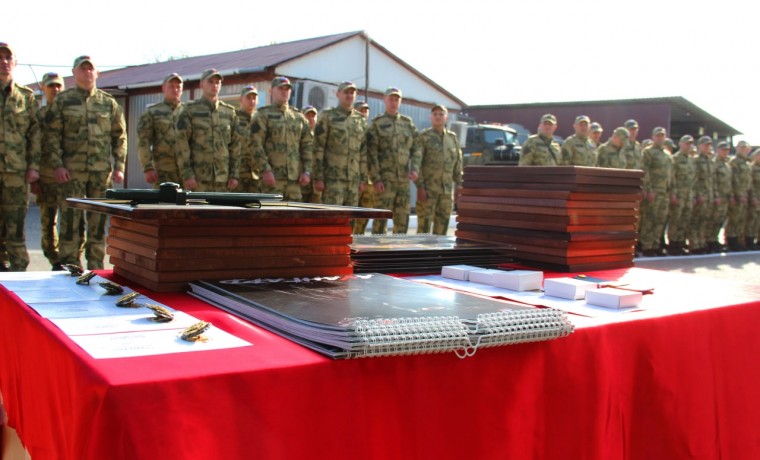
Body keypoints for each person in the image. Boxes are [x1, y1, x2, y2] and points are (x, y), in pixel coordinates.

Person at [45, 55, 126, 269]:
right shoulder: (62, 101)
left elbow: (119, 137)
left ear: (97, 73)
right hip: (71, 173)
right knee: (71, 221)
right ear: (74, 73)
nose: (87, 72)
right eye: (82, 69)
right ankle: (70, 266)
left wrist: (119, 166)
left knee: (98, 222)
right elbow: (51, 136)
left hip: (101, 173)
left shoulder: (108, 103)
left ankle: (96, 267)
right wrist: (57, 165)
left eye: (91, 69)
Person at [0, 42, 40, 272]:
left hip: (16, 172)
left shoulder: (26, 97)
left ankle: (18, 276)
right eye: (0, 57)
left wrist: (33, 167)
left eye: (8, 57)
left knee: (15, 226)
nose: (4, 62)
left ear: (15, 63)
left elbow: (34, 135)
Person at [366, 87, 421, 234]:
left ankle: (399, 254)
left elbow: (416, 148)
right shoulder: (377, 124)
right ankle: (376, 253)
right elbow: (371, 153)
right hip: (384, 182)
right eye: (391, 99)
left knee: (402, 222)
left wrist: (414, 168)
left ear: (400, 102)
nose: (393, 102)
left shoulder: (407, 124)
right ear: (384, 100)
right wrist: (376, 179)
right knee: (380, 222)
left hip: (403, 182)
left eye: (397, 99)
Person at [176, 69, 240, 193]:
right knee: (198, 212)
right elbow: (181, 145)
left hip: (223, 180)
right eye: (210, 82)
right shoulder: (190, 111)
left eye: (217, 82)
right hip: (198, 179)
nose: (214, 85)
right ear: (201, 85)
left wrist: (234, 175)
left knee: (222, 212)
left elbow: (235, 146)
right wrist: (187, 174)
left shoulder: (229, 112)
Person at [251, 76, 313, 201]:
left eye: (287, 89)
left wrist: (307, 171)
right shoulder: (263, 115)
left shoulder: (298, 118)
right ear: (271, 91)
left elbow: (307, 146)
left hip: (294, 181)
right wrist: (265, 170)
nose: (284, 92)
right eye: (281, 88)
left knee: (294, 218)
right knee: (271, 217)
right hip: (272, 179)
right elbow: (255, 144)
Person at [313, 82, 367, 207]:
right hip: (333, 179)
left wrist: (363, 179)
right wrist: (318, 177)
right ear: (338, 94)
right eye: (346, 92)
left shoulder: (360, 120)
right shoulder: (327, 116)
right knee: (332, 218)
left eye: (352, 93)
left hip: (353, 180)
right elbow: (318, 148)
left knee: (350, 220)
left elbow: (363, 152)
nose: (349, 95)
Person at [35, 71, 67, 270]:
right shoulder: (39, 115)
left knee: (70, 220)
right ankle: (53, 257)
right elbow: (33, 144)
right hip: (46, 175)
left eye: (58, 86)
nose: (55, 90)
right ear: (43, 88)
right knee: (48, 220)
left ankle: (67, 257)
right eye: (51, 86)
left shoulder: (69, 113)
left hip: (68, 175)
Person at [416, 104, 462, 235]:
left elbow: (458, 165)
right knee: (423, 230)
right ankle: (421, 255)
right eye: (435, 114)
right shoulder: (424, 137)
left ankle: (438, 255)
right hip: (428, 191)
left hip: (446, 193)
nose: (438, 117)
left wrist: (459, 187)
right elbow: (416, 163)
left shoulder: (452, 138)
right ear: (430, 117)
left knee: (442, 231)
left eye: (441, 114)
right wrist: (420, 187)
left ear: (446, 117)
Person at [137, 73, 184, 187]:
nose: (175, 89)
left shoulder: (188, 112)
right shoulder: (152, 113)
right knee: (165, 203)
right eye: (171, 86)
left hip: (187, 172)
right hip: (163, 171)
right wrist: (148, 168)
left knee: (189, 203)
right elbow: (143, 142)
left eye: (178, 87)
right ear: (164, 88)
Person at [639, 127, 672, 256]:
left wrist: (671, 190)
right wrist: (648, 189)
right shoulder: (648, 152)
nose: (660, 138)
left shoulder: (667, 154)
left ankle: (656, 244)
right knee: (650, 219)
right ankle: (647, 246)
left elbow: (671, 174)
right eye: (658, 136)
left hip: (664, 192)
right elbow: (645, 171)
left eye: (662, 136)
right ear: (653, 137)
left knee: (660, 220)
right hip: (654, 191)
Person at [667, 135, 696, 255]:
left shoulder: (691, 160)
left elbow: (693, 180)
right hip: (678, 195)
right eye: (686, 143)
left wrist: (693, 195)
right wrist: (673, 193)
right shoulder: (675, 159)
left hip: (688, 195)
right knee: (676, 220)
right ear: (680, 144)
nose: (688, 146)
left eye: (690, 144)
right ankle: (672, 245)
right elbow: (672, 178)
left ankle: (680, 243)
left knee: (684, 220)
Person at [688, 136, 715, 254]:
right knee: (696, 220)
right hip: (700, 195)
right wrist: (697, 195)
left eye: (709, 145)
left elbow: (712, 180)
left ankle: (702, 242)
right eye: (705, 145)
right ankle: (694, 244)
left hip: (708, 195)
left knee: (705, 220)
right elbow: (694, 179)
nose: (707, 147)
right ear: (699, 146)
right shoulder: (696, 160)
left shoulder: (710, 161)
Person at [352, 100, 374, 234]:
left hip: (370, 181)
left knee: (365, 215)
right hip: (354, 178)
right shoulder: (352, 129)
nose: (364, 113)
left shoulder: (372, 130)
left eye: (366, 111)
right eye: (361, 110)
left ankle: (359, 240)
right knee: (353, 213)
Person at [726, 140, 752, 251]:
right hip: (737, 196)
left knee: (741, 219)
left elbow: (748, 182)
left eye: (745, 148)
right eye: (741, 148)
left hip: (745, 196)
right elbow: (731, 180)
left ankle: (738, 241)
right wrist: (732, 195)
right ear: (737, 148)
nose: (743, 150)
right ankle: (731, 241)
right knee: (734, 219)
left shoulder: (747, 163)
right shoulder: (733, 162)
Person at [708, 141, 732, 253]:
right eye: (723, 150)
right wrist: (716, 195)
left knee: (720, 220)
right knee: (713, 219)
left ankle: (714, 240)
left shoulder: (726, 164)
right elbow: (712, 181)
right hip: (718, 197)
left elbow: (729, 182)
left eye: (727, 150)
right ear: (717, 150)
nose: (725, 152)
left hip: (725, 197)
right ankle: (709, 241)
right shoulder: (714, 163)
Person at [235, 85, 260, 193]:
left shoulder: (260, 119)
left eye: (254, 98)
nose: (252, 101)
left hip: (256, 173)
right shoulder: (234, 118)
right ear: (241, 100)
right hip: (238, 173)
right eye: (248, 98)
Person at [301, 105, 321, 203]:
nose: (310, 118)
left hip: (316, 185)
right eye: (307, 115)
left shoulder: (320, 138)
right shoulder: (297, 136)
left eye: (313, 116)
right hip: (301, 183)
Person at [746, 149, 760, 250]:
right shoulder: (752, 168)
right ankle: (750, 241)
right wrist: (753, 197)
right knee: (752, 220)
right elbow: (749, 185)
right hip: (755, 197)